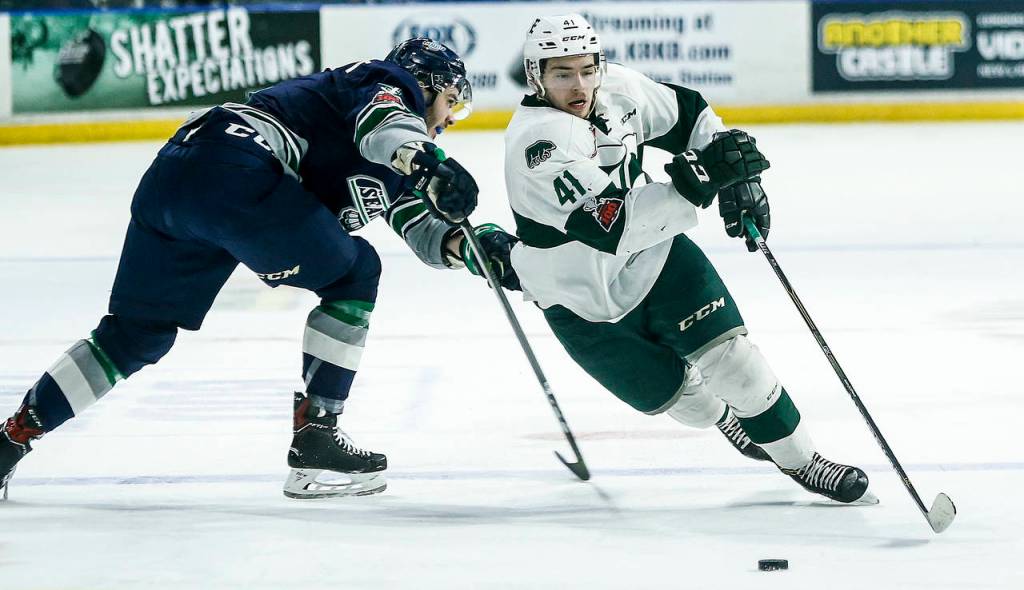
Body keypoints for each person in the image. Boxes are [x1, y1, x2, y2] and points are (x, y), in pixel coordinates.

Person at [0, 38, 518, 500]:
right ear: (426, 86)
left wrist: (479, 250)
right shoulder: (386, 83)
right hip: (236, 166)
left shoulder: (398, 163)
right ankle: (317, 435)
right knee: (354, 275)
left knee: (135, 335)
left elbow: (424, 230)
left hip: (176, 173)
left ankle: (11, 440)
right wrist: (425, 158)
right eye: (452, 102)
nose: (451, 119)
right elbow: (386, 128)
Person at [503, 14, 875, 504]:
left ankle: (805, 461)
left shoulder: (617, 89)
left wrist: (736, 175)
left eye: (588, 69)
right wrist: (701, 179)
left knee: (738, 366)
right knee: (692, 405)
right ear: (536, 76)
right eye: (562, 74)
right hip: (579, 304)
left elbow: (690, 115)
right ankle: (725, 419)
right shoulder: (536, 147)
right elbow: (615, 226)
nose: (580, 85)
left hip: (658, 262)